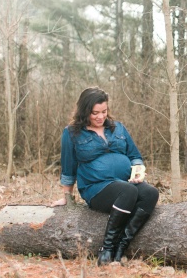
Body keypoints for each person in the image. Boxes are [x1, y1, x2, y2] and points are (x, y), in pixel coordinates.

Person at [51, 87, 159, 266]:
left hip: (125, 183)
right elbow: (68, 167)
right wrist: (66, 197)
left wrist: (138, 169)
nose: (100, 117)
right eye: (95, 113)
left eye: (104, 111)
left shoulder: (118, 128)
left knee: (150, 193)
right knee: (128, 191)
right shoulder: (72, 133)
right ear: (84, 111)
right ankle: (107, 249)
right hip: (96, 188)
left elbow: (134, 155)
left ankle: (121, 248)